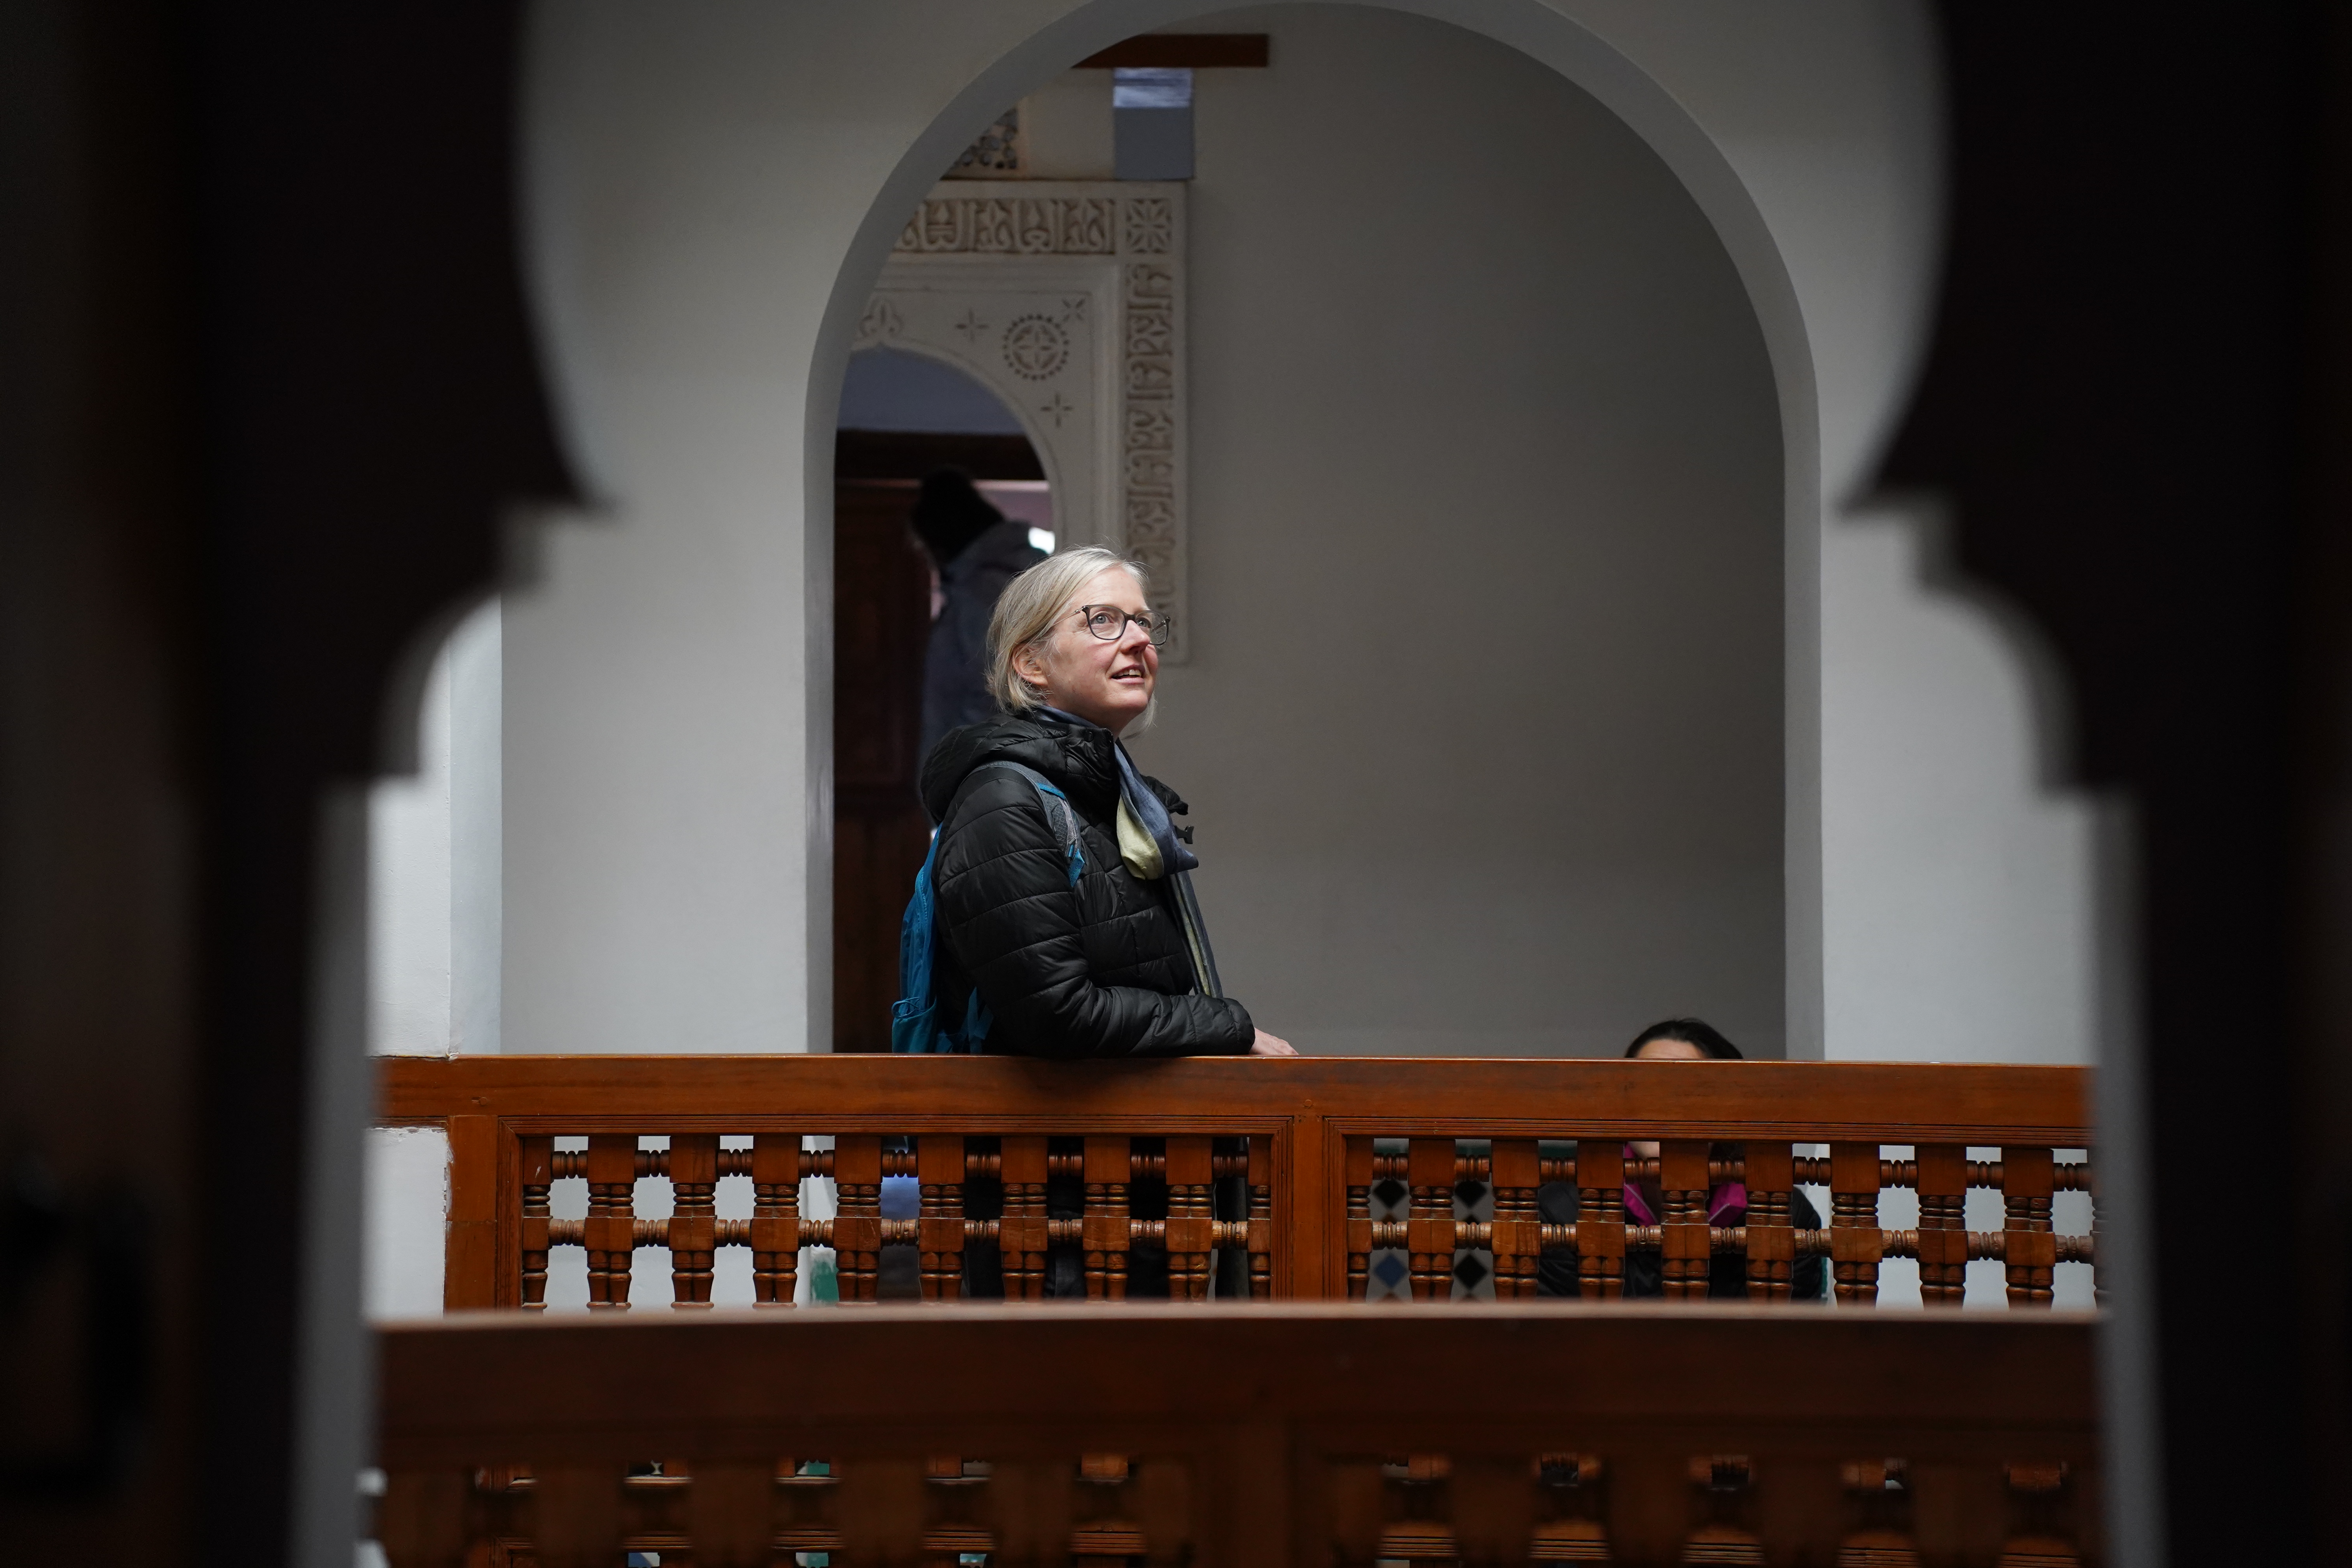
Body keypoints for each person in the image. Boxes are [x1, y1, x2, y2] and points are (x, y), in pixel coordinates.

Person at [917, 544, 1294, 1059]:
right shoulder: (1002, 800)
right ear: (1031, 662)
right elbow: (1057, 1016)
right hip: (1041, 1139)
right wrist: (1230, 1027)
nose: (1139, 639)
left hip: (1118, 1134)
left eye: (1142, 621)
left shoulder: (1105, 795)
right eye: (1103, 621)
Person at [1537, 1018, 1826, 1299]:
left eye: (1687, 1092)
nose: (1661, 1107)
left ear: (1727, 1114)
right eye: (1642, 1088)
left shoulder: (1786, 1216)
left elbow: (1786, 1344)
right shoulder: (1561, 1213)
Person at [913, 469, 1046, 763]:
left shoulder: (984, 592)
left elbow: (993, 695)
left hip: (981, 775)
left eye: (924, 547)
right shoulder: (1016, 579)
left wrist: (960, 777)